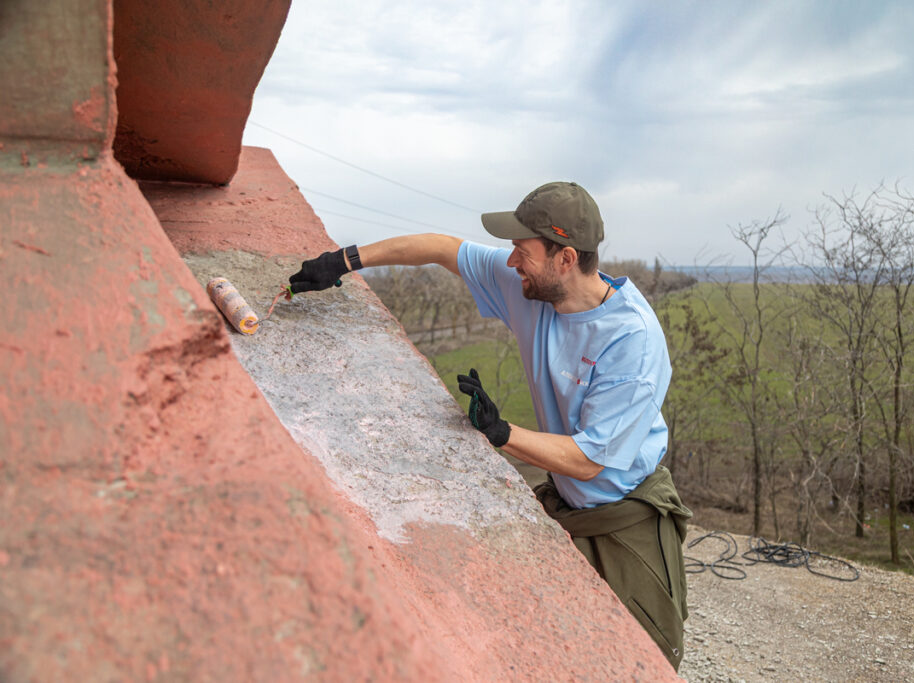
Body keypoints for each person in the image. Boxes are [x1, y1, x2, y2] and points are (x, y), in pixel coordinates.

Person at [288, 181, 692, 668]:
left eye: (522, 251)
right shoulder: (529, 288)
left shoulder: (631, 340)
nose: (510, 262)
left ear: (565, 258)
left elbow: (590, 461)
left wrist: (502, 433)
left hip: (624, 512)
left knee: (637, 656)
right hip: (567, 502)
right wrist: (344, 261)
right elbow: (439, 248)